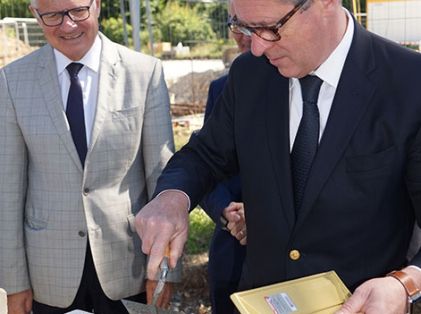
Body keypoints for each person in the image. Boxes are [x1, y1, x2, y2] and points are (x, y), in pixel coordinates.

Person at [135, 0, 421, 312]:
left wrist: (404, 284)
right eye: (244, 27)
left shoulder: (408, 82)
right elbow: (204, 154)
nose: (256, 47)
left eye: (271, 28)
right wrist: (173, 198)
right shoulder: (249, 75)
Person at [0, 0, 178, 313]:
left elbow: (162, 178)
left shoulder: (144, 73)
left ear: (96, 5)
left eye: (77, 11)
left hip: (130, 267)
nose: (68, 26)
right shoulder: (12, 81)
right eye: (53, 15)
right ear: (34, 14)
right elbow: (8, 188)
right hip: (48, 273)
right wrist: (13, 283)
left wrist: (164, 267)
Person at [200, 2, 251, 312]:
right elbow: (206, 166)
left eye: (256, 26)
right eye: (237, 26)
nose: (246, 38)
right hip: (233, 256)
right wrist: (227, 212)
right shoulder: (221, 89)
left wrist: (261, 214)